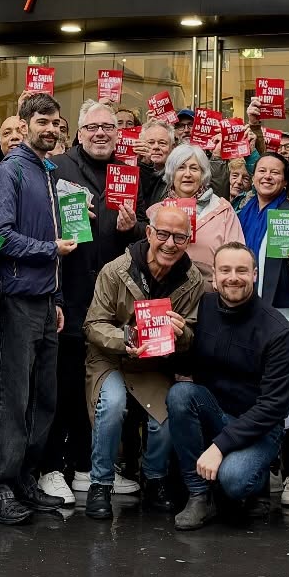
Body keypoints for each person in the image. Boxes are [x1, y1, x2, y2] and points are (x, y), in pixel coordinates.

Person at [0, 92, 78, 525]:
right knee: (10, 397)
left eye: (57, 123)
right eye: (42, 121)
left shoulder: (49, 171)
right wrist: (49, 249)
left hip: (43, 301)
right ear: (23, 123)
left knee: (43, 399)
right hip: (16, 299)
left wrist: (56, 298)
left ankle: (23, 479)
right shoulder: (11, 170)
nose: (51, 129)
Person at [40, 100, 145, 506]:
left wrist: (130, 226)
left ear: (118, 133)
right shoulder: (58, 169)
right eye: (92, 127)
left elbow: (148, 235)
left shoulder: (131, 174)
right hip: (68, 295)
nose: (100, 133)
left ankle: (85, 466)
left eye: (107, 127)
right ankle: (52, 467)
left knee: (98, 388)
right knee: (61, 386)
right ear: (78, 132)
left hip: (113, 305)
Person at [82, 202, 205, 519]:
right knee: (111, 405)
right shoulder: (116, 270)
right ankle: (100, 484)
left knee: (164, 416)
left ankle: (155, 480)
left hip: (152, 364)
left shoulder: (192, 281)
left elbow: (192, 333)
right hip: (111, 357)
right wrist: (127, 339)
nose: (169, 243)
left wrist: (181, 335)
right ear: (149, 232)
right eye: (162, 233)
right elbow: (93, 325)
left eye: (179, 237)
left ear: (188, 240)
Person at [168, 242, 289, 530]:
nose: (233, 277)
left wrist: (219, 447)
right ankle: (199, 496)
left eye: (241, 270)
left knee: (234, 480)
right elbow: (191, 364)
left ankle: (256, 478)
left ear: (254, 274)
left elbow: (273, 407)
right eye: (225, 270)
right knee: (180, 394)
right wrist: (177, 341)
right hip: (217, 412)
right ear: (213, 276)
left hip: (260, 427)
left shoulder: (277, 331)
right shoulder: (205, 308)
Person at [236, 152, 289, 508]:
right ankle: (264, 463)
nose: (267, 176)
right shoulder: (239, 212)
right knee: (252, 392)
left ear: (285, 181)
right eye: (261, 170)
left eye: (275, 173)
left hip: (283, 315)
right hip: (245, 315)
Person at [160, 145, 243, 280]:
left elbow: (237, 256)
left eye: (194, 168)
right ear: (172, 174)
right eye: (181, 167)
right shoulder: (157, 210)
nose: (187, 174)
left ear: (203, 174)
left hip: (210, 294)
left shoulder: (223, 210)